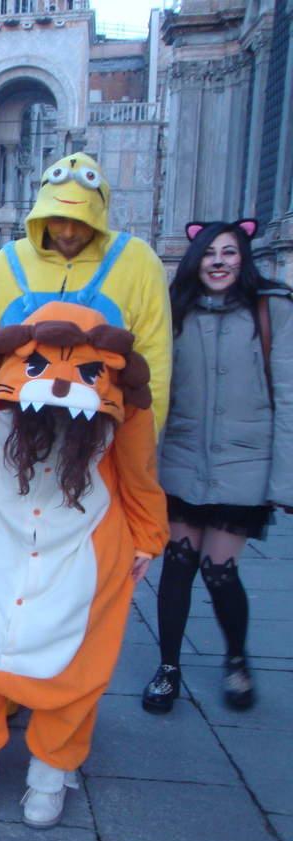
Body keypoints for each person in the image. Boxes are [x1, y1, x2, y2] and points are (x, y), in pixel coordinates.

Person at [0, 303, 166, 828]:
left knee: (76, 668)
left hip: (81, 549)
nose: (60, 386)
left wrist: (148, 537)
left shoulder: (118, 405)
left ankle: (50, 772)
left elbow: (139, 469)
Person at [142, 220, 293, 713]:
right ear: (195, 260)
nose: (220, 261)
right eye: (210, 253)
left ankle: (236, 659)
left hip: (243, 462)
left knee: (219, 569)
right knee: (177, 567)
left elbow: (289, 398)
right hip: (181, 458)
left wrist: (285, 481)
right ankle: (168, 668)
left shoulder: (272, 310)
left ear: (244, 259)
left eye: (230, 252)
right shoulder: (174, 311)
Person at [0, 152, 172, 429]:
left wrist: (144, 441)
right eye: (57, 219)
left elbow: (153, 360)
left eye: (81, 221)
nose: (67, 233)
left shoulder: (137, 261)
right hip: (14, 436)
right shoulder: (5, 263)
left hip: (102, 436)